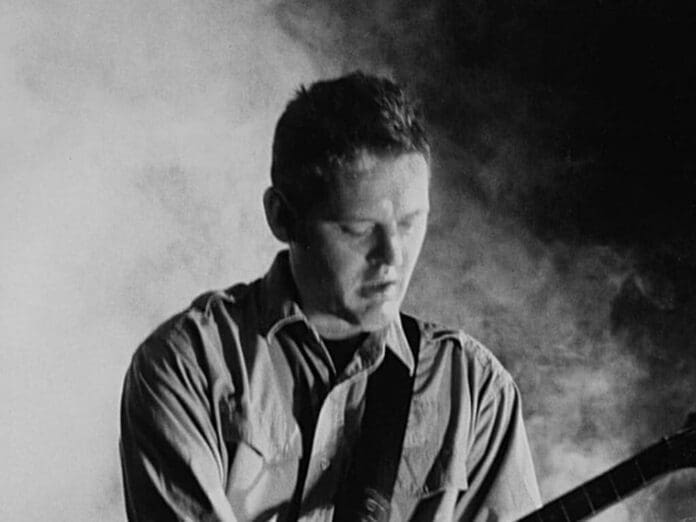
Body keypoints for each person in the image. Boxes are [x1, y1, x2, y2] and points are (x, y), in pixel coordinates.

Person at [119, 71, 542, 522]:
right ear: (282, 217)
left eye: (410, 223)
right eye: (358, 230)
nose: (392, 257)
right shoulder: (188, 368)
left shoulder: (475, 390)